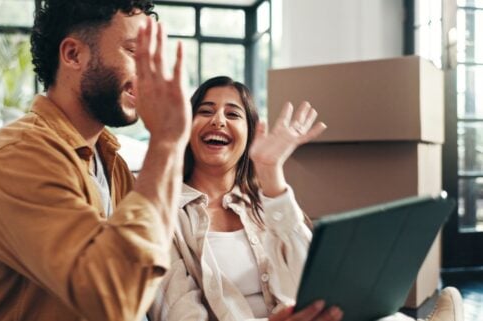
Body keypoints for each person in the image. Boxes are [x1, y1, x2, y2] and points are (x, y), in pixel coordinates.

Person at [149, 76, 464, 321]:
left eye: (233, 114)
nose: (218, 120)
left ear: (247, 136)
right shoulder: (163, 214)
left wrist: (272, 176)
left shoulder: (265, 202)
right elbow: (180, 313)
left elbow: (313, 282)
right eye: (205, 111)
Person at [0, 0, 190, 320]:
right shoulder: (16, 159)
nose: (146, 77)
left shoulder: (112, 163)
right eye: (135, 53)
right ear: (73, 54)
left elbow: (142, 283)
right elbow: (113, 297)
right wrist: (166, 139)